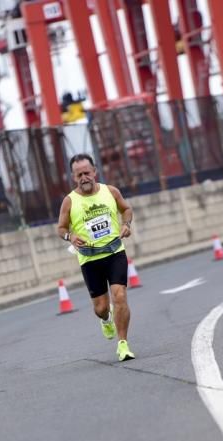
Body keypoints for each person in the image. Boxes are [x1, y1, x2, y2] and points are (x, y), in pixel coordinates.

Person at [57, 153, 135, 361]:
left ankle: (123, 344)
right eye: (79, 174)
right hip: (90, 259)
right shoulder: (69, 201)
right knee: (100, 308)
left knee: (119, 296)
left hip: (114, 252)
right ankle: (106, 318)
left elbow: (126, 209)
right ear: (74, 177)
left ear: (95, 172)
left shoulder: (110, 191)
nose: (84, 177)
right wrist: (70, 236)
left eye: (87, 172)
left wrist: (126, 225)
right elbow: (61, 227)